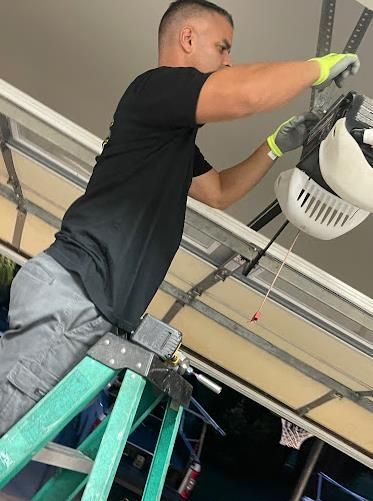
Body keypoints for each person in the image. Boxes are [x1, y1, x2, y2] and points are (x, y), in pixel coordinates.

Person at [0, 0, 360, 437]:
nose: (228, 61)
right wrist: (316, 68)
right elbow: (245, 93)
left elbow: (219, 192)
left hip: (86, 301)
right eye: (223, 47)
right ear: (188, 39)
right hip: (77, 294)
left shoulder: (170, 137)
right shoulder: (156, 89)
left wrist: (271, 146)